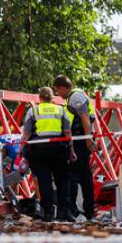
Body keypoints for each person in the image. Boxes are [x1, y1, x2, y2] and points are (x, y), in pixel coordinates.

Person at [22, 87, 75, 222]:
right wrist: (71, 151)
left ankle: (48, 213)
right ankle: (65, 212)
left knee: (45, 182)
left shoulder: (33, 110)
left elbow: (27, 134)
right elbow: (68, 133)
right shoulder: (60, 110)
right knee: (63, 181)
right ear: (52, 98)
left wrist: (21, 150)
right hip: (59, 150)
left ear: (39, 98)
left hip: (39, 151)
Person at [52, 75, 96, 220]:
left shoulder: (75, 97)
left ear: (63, 87)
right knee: (84, 176)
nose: (58, 95)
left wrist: (88, 140)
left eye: (57, 91)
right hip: (81, 140)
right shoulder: (78, 95)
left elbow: (85, 119)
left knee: (74, 176)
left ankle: (74, 210)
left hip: (80, 142)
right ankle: (88, 210)